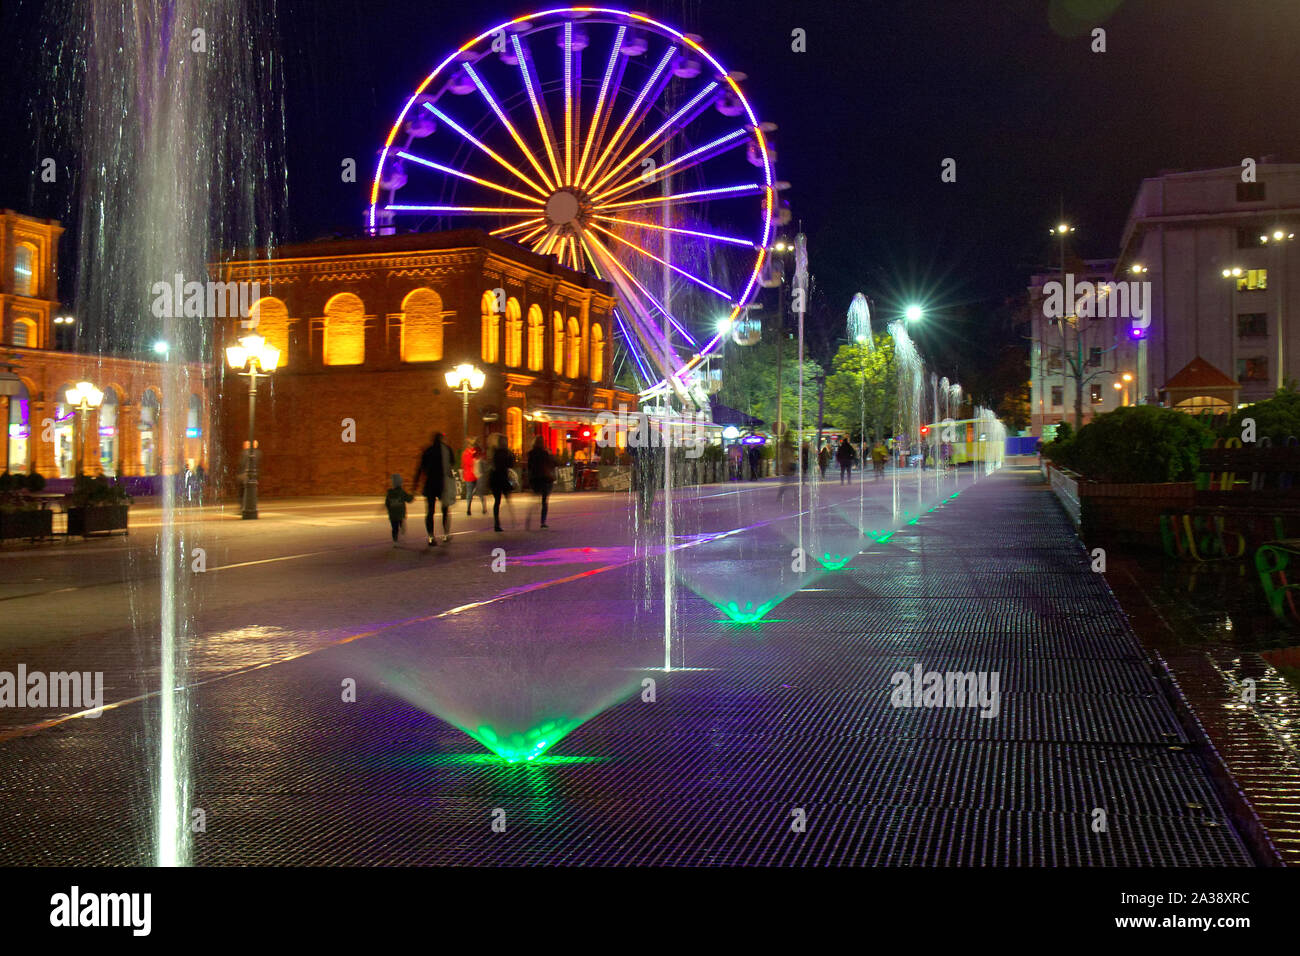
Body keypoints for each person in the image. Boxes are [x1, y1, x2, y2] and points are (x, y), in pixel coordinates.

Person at [414, 431, 455, 546]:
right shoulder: (447, 450)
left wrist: (415, 485)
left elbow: (420, 468)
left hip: (430, 484)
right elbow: (452, 463)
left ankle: (431, 537)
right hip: (443, 483)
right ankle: (446, 534)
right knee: (445, 510)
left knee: (430, 512)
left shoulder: (428, 450)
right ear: (442, 439)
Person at [488, 433, 517, 532]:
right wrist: (511, 455)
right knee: (507, 500)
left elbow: (492, 465)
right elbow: (510, 464)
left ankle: (497, 523)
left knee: (497, 502)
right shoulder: (504, 452)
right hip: (502, 478)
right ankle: (511, 520)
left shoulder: (494, 452)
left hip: (495, 478)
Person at [526, 435, 556, 529]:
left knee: (535, 500)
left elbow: (529, 467)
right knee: (544, 501)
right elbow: (551, 464)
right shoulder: (544, 453)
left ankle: (529, 516)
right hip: (544, 478)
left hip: (535, 478)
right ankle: (543, 522)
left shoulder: (530, 453)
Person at [383, 474, 414, 546]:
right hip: (400, 514)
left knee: (394, 528)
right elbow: (408, 499)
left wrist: (389, 510)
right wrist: (412, 496)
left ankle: (395, 540)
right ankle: (402, 530)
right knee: (401, 523)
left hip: (393, 515)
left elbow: (387, 503)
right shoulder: (401, 492)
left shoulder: (389, 493)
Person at [462, 438, 487, 516]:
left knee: (469, 493)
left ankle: (468, 509)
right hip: (477, 474)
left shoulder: (465, 453)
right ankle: (483, 508)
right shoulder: (477, 452)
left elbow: (464, 464)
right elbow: (482, 459)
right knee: (480, 492)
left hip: (469, 475)